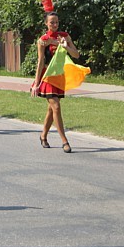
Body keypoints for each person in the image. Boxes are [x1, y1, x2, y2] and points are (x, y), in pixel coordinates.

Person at [31, 12, 81, 153]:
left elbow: (76, 55)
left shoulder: (64, 36)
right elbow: (40, 62)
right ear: (46, 23)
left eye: (56, 22)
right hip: (47, 75)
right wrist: (36, 83)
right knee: (56, 107)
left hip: (59, 75)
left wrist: (66, 46)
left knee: (51, 109)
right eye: (51, 22)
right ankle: (64, 141)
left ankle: (43, 135)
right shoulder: (43, 40)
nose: (54, 25)